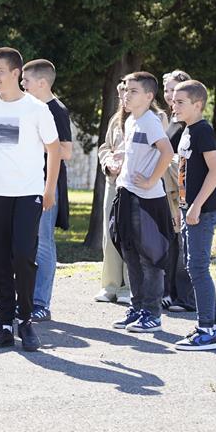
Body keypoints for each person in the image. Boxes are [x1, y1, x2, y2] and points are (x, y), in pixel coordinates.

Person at [0, 48, 60, 352]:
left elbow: (54, 149)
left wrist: (49, 190)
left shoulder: (37, 109)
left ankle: (26, 320)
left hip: (27, 194)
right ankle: (4, 324)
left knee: (23, 256)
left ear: (15, 73)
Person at [110, 72, 175, 334]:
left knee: (150, 259)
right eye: (125, 89)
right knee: (131, 256)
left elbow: (167, 152)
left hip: (148, 202)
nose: (126, 95)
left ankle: (152, 314)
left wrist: (151, 180)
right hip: (126, 195)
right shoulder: (130, 121)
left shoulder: (150, 121)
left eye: (133, 91)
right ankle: (137, 309)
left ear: (149, 96)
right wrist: (117, 162)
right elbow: (134, 153)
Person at [169, 80, 216, 350]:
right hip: (188, 208)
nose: (174, 105)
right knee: (195, 266)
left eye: (180, 102)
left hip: (203, 210)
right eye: (174, 101)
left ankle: (206, 330)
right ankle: (215, 325)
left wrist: (196, 206)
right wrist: (182, 207)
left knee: (197, 268)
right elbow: (185, 174)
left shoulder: (203, 131)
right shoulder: (187, 130)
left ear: (198, 104)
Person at [20, 58, 72, 321]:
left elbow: (66, 151)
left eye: (26, 81)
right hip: (26, 183)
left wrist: (31, 141)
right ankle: (26, 300)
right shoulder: (31, 108)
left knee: (43, 244)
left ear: (41, 83)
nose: (22, 85)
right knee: (27, 243)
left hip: (46, 185)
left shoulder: (56, 110)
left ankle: (41, 303)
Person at [160, 69, 196, 312]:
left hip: (184, 191)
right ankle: (170, 293)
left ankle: (186, 298)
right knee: (172, 244)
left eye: (174, 90)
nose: (170, 95)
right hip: (169, 191)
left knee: (184, 246)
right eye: (167, 90)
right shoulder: (171, 119)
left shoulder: (189, 122)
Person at [94, 80, 131, 303]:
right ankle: (110, 286)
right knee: (109, 235)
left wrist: (126, 158)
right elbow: (105, 147)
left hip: (135, 185)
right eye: (120, 94)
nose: (123, 98)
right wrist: (108, 162)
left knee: (130, 237)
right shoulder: (115, 120)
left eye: (127, 92)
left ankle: (129, 288)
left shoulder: (153, 118)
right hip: (113, 182)